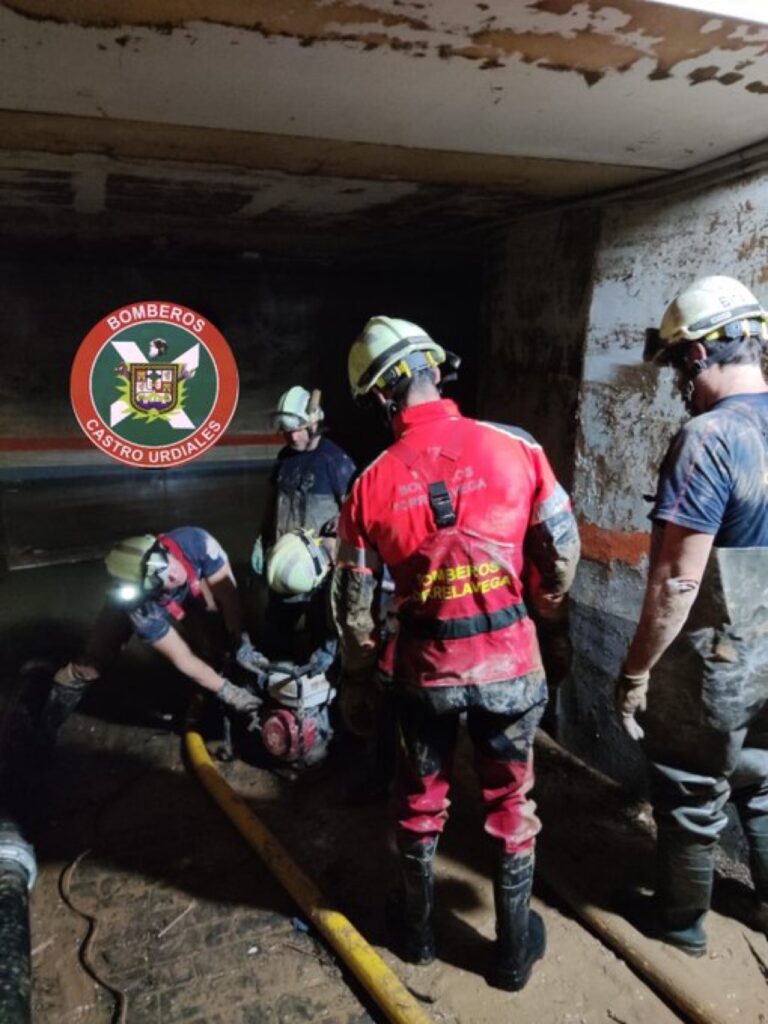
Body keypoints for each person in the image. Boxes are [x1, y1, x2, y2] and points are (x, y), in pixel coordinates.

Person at [331, 316, 580, 990]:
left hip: (423, 676)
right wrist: (550, 631)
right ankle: (508, 955)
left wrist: (357, 678)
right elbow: (558, 556)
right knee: (509, 801)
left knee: (418, 801)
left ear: (380, 397)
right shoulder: (515, 446)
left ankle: (414, 935)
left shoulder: (369, 483)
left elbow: (355, 606)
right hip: (511, 667)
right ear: (435, 369)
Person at [616, 275, 768, 956]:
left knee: (687, 785)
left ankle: (680, 923)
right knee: (765, 780)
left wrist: (636, 671)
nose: (680, 375)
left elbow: (678, 581)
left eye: (680, 359)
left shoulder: (708, 439)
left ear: (700, 355)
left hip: (720, 652)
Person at [39, 528, 261, 745]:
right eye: (158, 578)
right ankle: (48, 717)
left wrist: (240, 641)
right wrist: (228, 691)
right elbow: (182, 658)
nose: (173, 574)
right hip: (136, 604)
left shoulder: (197, 543)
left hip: (185, 588)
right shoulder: (141, 608)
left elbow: (229, 597)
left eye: (165, 562)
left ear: (162, 546)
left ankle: (208, 696)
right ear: (147, 589)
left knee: (214, 637)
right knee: (92, 665)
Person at [250, 386, 356, 670]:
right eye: (286, 431)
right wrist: (262, 539)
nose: (291, 436)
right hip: (283, 560)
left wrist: (341, 532)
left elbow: (355, 510)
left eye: (297, 429)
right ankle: (277, 676)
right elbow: (273, 502)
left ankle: (323, 677)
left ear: (313, 423)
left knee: (322, 626)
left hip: (319, 566)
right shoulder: (285, 458)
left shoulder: (335, 462)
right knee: (276, 625)